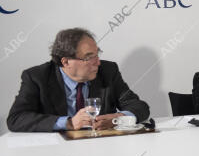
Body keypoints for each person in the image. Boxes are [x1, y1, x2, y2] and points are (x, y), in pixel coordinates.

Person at [7, 28, 150, 132]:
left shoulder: (108, 71)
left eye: (97, 54)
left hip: (102, 148)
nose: (97, 62)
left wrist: (118, 118)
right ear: (66, 62)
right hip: (57, 151)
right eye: (88, 57)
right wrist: (68, 123)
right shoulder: (37, 77)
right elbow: (16, 119)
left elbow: (139, 107)